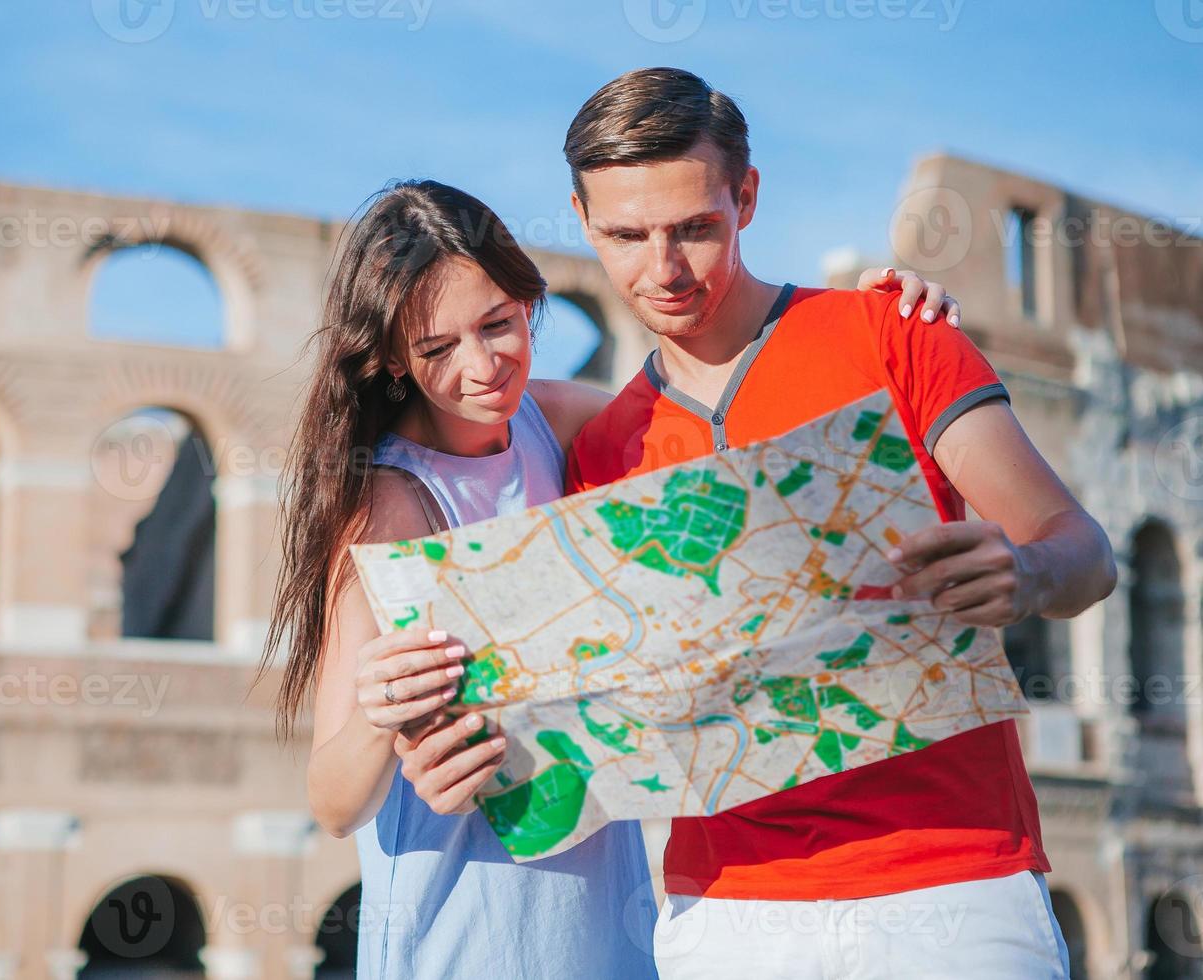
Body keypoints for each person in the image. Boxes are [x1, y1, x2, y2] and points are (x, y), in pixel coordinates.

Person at [397, 68, 1117, 979]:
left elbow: (1083, 550)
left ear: (746, 197)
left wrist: (1028, 572)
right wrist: (456, 760)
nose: (662, 271)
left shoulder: (893, 333)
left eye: (695, 228)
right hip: (723, 912)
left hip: (951, 882)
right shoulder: (604, 451)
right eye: (625, 235)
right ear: (581, 222)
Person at [264, 177, 963, 979]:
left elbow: (735, 439)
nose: (484, 365)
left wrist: (867, 325)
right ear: (391, 357)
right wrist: (380, 714)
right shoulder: (385, 505)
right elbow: (332, 801)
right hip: (465, 925)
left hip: (608, 915)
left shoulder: (551, 418)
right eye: (436, 349)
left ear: (529, 301)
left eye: (499, 324)